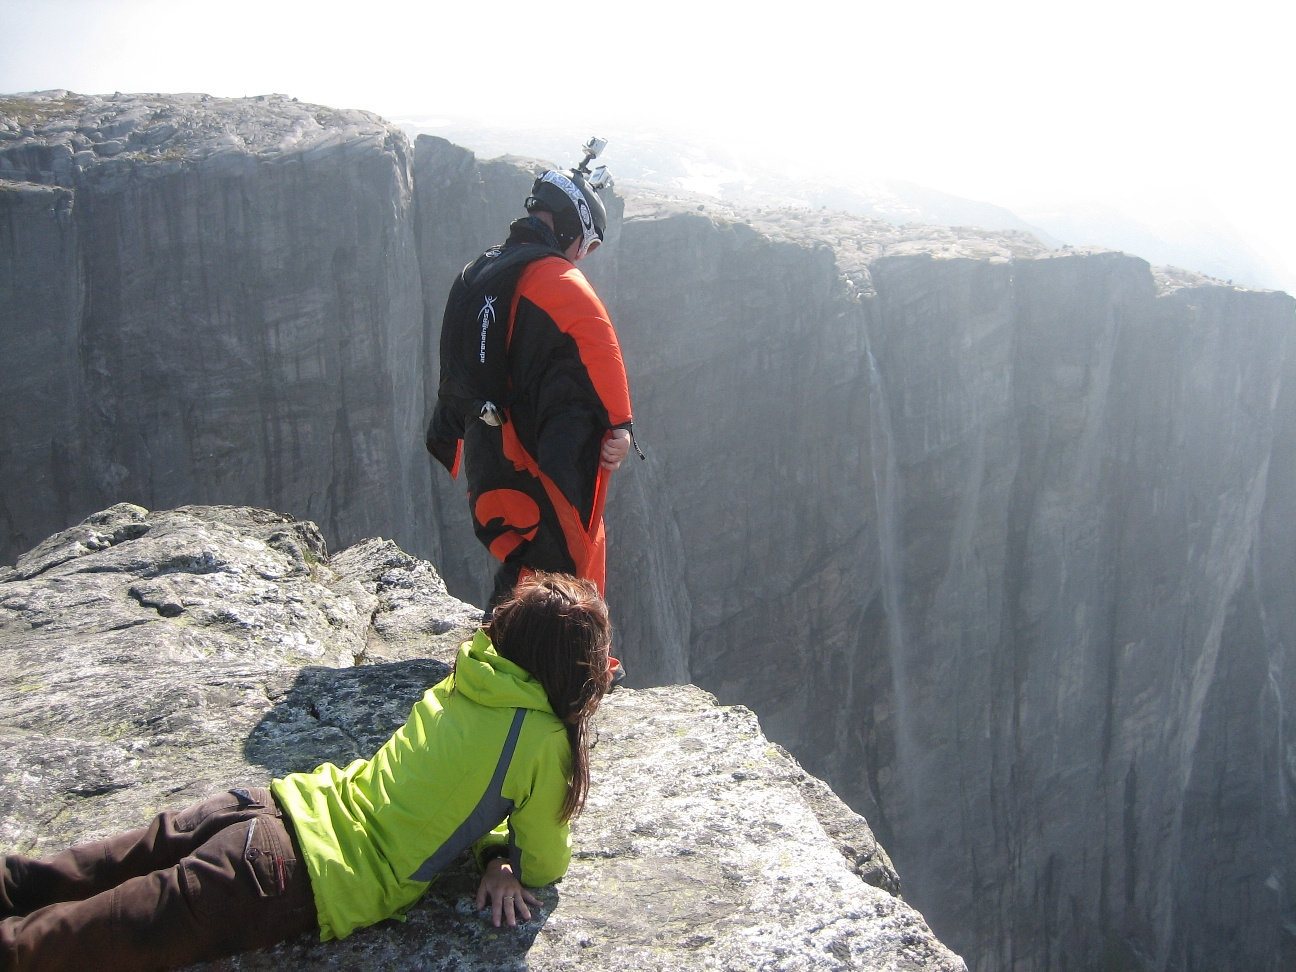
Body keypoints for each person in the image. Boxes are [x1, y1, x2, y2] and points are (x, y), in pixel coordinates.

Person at [0, 573, 613, 972]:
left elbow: (470, 780)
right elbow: (545, 860)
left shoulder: (474, 674)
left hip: (267, 807)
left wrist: (489, 847)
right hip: (293, 876)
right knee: (57, 948)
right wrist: (501, 861)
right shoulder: (542, 738)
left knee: (71, 873)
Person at [426, 139, 637, 621]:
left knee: (527, 554)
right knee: (563, 557)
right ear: (572, 226)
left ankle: (528, 650)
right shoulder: (557, 281)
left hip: (486, 449)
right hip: (538, 452)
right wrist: (621, 428)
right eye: (587, 243)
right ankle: (555, 666)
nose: (582, 256)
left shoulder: (477, 270)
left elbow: (456, 363)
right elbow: (600, 349)